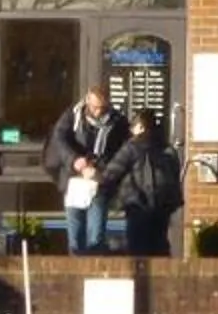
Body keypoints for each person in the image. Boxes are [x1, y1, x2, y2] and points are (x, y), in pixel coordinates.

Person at [44, 87, 126, 256]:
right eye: (94, 107)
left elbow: (121, 153)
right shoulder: (72, 116)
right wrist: (74, 160)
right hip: (74, 180)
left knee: (96, 235)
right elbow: (59, 139)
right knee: (75, 235)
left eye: (102, 108)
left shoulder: (117, 122)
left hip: (98, 182)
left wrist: (100, 170)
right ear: (87, 101)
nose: (97, 112)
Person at [99, 108, 185, 259]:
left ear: (141, 127)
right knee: (159, 245)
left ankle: (141, 281)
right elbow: (175, 175)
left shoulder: (132, 146)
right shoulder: (167, 148)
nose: (131, 130)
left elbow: (112, 172)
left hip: (138, 203)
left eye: (134, 126)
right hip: (162, 205)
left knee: (137, 248)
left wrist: (101, 187)